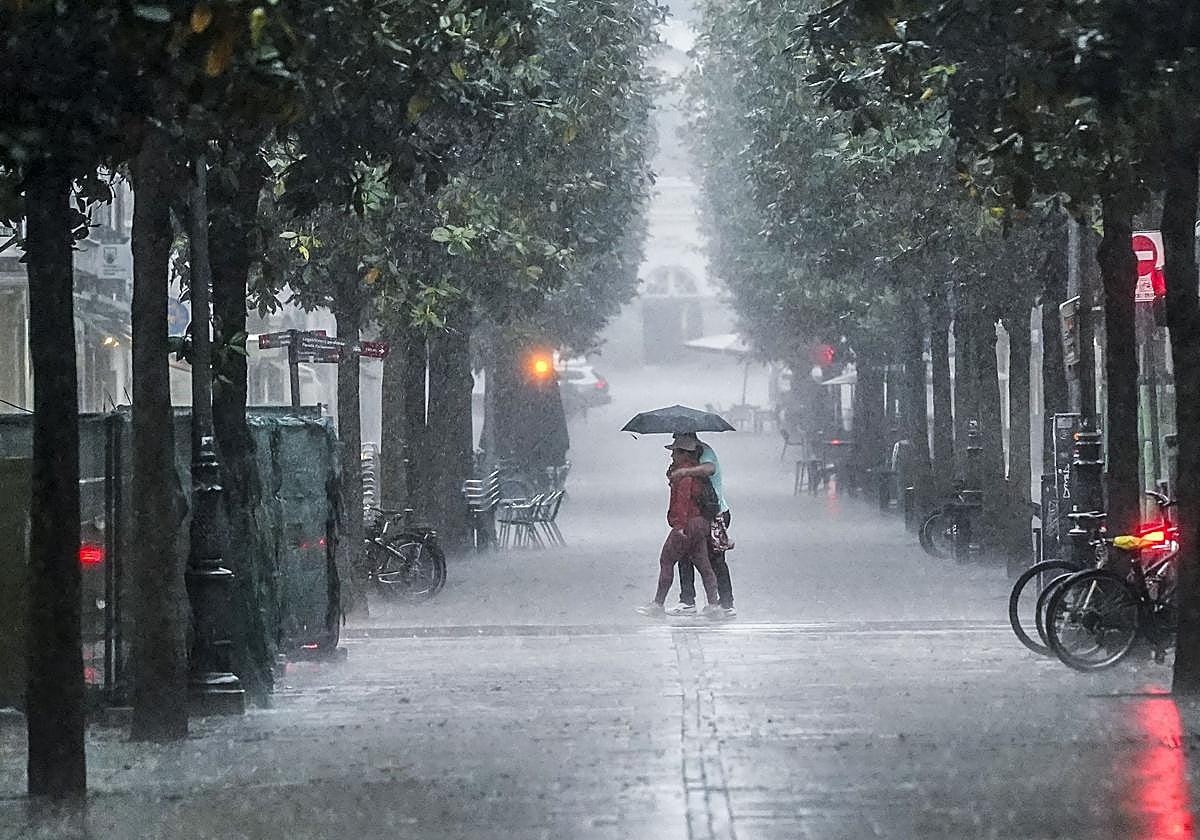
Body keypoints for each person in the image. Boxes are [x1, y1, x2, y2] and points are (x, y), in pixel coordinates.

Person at [635, 437, 723, 619]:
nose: (672, 455)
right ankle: (714, 605)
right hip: (700, 523)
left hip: (687, 524)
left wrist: (679, 528)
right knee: (703, 564)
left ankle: (658, 603)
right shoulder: (693, 472)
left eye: (675, 452)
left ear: (685, 454)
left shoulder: (684, 476)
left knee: (666, 561)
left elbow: (682, 504)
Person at [668, 432, 735, 620]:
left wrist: (685, 472)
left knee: (715, 559)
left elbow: (709, 469)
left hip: (715, 513)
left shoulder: (705, 452)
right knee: (684, 555)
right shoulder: (683, 460)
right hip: (694, 516)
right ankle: (687, 600)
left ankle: (726, 603)